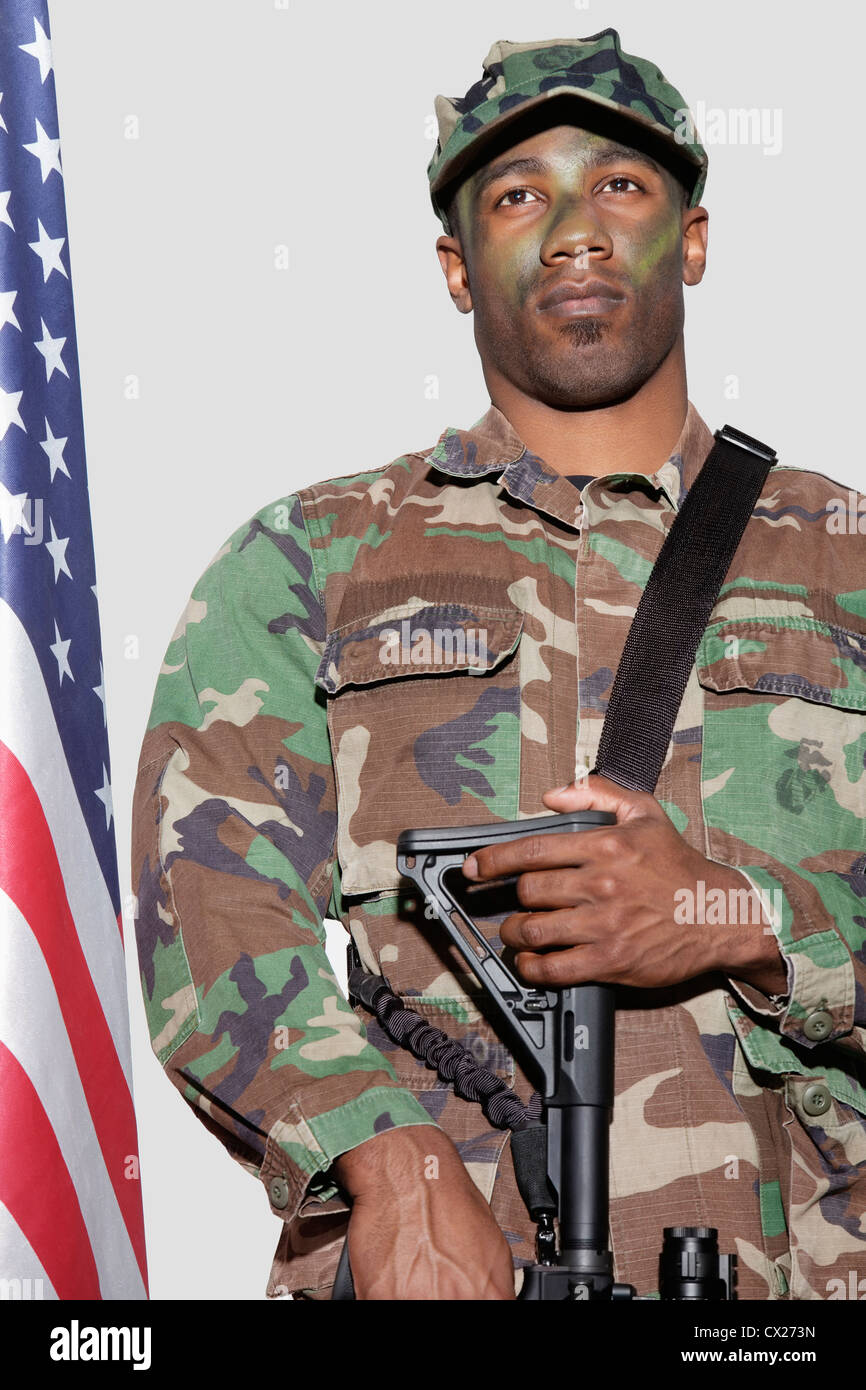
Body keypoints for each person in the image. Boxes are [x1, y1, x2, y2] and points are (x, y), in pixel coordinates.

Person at [130, 30, 866, 1301]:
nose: (573, 229)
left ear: (692, 238)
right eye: (517, 194)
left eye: (620, 186)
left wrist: (731, 919)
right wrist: (385, 1155)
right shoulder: (309, 558)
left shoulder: (847, 560)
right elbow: (209, 903)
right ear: (456, 267)